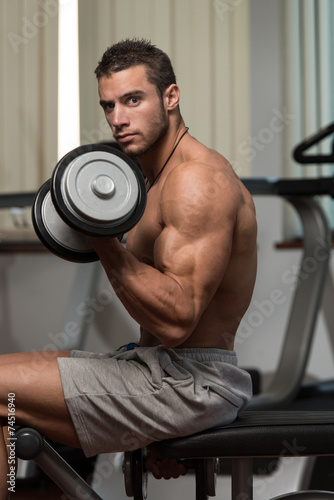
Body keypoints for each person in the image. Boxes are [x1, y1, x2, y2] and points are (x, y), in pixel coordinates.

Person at [0, 38, 257, 497]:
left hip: (192, 384)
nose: (118, 119)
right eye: (108, 106)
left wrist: (102, 240)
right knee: (8, 398)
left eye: (133, 100)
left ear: (171, 97)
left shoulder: (196, 181)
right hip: (154, 368)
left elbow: (178, 321)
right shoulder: (150, 182)